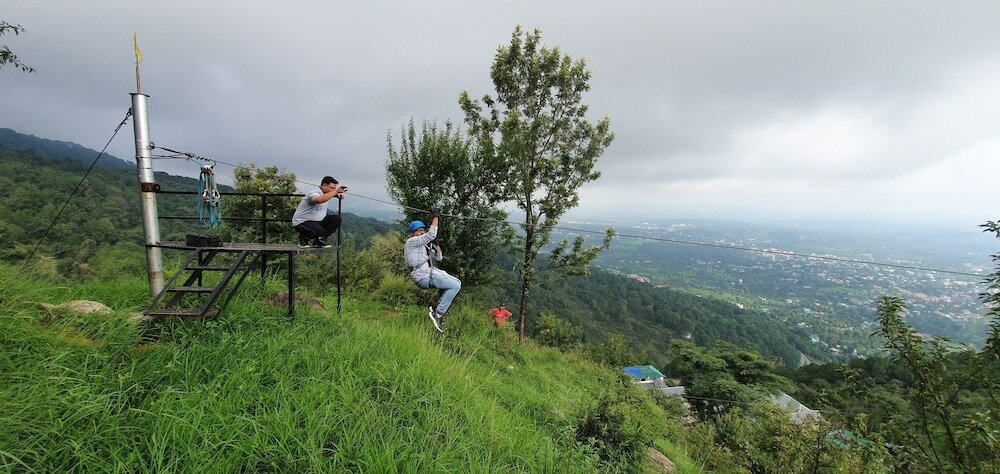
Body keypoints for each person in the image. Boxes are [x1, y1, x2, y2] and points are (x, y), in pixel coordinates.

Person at [404, 208, 461, 332]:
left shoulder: (422, 245)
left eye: (423, 230)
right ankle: (438, 314)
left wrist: (437, 246)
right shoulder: (411, 242)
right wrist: (435, 216)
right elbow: (432, 234)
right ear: (413, 233)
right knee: (455, 286)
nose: (422, 232)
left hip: (430, 272)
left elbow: (439, 258)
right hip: (423, 276)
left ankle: (437, 309)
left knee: (458, 282)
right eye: (419, 231)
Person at [291, 176, 347, 248]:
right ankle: (304, 237)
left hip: (317, 222)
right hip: (302, 222)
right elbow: (319, 200)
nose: (333, 190)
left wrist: (336, 195)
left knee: (336, 219)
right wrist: (335, 192)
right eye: (331, 188)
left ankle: (319, 240)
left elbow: (326, 195)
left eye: (334, 188)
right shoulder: (313, 192)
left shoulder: (325, 193)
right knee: (320, 232)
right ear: (324, 185)